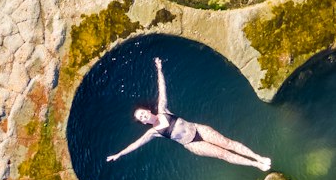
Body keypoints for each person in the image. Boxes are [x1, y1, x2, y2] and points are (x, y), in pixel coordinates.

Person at [107, 57, 272, 171]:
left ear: (148, 111)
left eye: (143, 113)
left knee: (228, 143)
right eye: (141, 118)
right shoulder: (153, 132)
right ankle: (256, 165)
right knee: (224, 154)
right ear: (144, 122)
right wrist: (119, 154)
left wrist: (159, 69)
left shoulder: (163, 109)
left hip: (198, 129)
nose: (143, 116)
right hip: (193, 144)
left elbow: (162, 89)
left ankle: (258, 157)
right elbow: (136, 144)